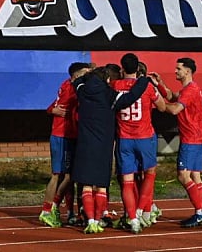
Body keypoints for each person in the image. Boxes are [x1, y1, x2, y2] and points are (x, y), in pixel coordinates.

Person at [71, 65, 153, 234]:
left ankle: (91, 221)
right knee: (100, 186)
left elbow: (77, 81)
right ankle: (99, 218)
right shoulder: (108, 95)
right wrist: (144, 80)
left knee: (86, 185)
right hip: (103, 145)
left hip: (85, 144)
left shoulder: (82, 90)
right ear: (107, 80)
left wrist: (87, 76)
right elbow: (130, 97)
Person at [110, 53, 166, 234]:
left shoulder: (114, 86)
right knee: (149, 174)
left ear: (122, 69)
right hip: (144, 136)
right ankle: (142, 211)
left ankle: (133, 219)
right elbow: (163, 106)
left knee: (127, 181)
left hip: (124, 138)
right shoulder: (147, 86)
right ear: (138, 69)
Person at [151, 57, 202, 228]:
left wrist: (160, 105)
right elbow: (172, 95)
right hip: (197, 136)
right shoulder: (191, 89)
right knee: (195, 176)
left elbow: (175, 108)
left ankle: (200, 212)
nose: (175, 71)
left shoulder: (190, 90)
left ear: (187, 71)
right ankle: (200, 212)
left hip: (191, 137)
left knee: (183, 175)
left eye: (178, 69)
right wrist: (159, 84)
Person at [39, 62, 91, 228]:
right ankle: (49, 208)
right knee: (61, 175)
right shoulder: (72, 88)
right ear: (76, 76)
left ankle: (69, 212)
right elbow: (57, 106)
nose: (88, 77)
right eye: (85, 73)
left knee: (70, 175)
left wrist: (51, 110)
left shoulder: (67, 85)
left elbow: (53, 105)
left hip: (69, 135)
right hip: (63, 136)